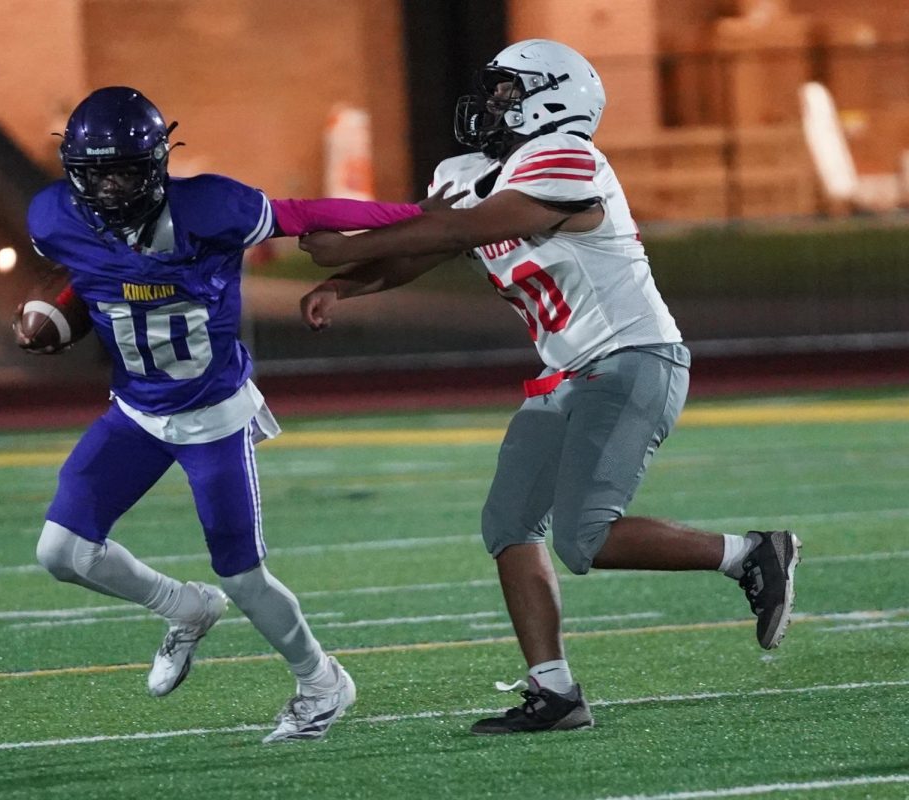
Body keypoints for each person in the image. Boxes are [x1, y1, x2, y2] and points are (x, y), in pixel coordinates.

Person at [297, 39, 802, 735]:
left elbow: (458, 225)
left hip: (631, 357)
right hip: (565, 371)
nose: (496, 102)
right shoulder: (476, 172)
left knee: (585, 539)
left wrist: (345, 245)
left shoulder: (568, 157)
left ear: (556, 96)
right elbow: (426, 243)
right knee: (508, 525)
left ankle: (751, 554)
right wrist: (340, 285)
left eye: (510, 90)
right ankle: (554, 692)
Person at [21, 86, 441, 743]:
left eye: (123, 171)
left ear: (157, 163)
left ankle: (323, 681)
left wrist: (417, 216)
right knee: (60, 551)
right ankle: (184, 608)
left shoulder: (209, 206)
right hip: (135, 410)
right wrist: (52, 315)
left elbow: (306, 212)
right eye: (94, 174)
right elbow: (88, 272)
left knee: (244, 576)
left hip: (213, 413)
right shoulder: (53, 216)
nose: (108, 189)